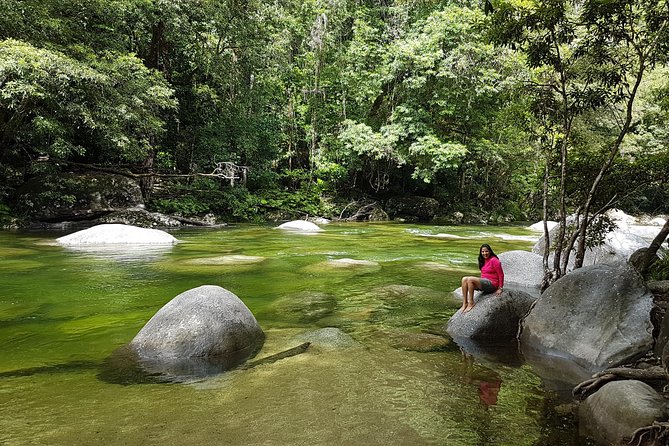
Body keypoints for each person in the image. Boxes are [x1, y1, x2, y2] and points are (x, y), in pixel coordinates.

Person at [459, 243, 504, 313]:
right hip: (484, 282)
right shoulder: (482, 260)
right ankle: (465, 303)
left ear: (490, 251)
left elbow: (501, 274)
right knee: (464, 279)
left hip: (492, 284)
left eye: (486, 251)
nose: (484, 253)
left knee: (470, 279)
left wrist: (500, 288)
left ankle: (471, 302)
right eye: (482, 252)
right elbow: (483, 274)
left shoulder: (494, 260)